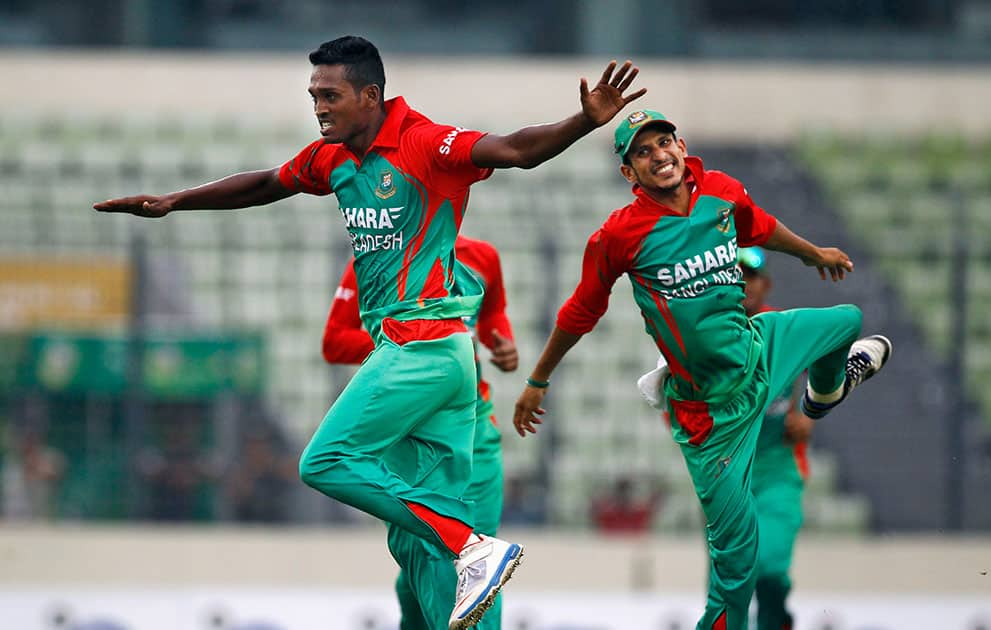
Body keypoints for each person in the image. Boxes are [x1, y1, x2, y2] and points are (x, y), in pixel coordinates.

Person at [94, 35, 645, 629]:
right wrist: (176, 202)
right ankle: (460, 551)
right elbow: (263, 184)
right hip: (435, 358)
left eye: (330, 95)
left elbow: (514, 149)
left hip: (423, 347)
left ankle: (471, 545)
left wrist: (582, 123)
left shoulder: (425, 142)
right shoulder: (332, 158)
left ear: (370, 95)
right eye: (313, 96)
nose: (319, 107)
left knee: (326, 462)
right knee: (415, 548)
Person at [512, 110, 892, 630]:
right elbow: (581, 311)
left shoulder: (720, 190)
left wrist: (811, 254)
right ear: (629, 174)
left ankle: (824, 395)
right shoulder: (620, 234)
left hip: (758, 351)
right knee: (736, 577)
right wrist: (537, 380)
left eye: (663, 142)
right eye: (641, 152)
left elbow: (759, 226)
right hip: (710, 415)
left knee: (847, 319)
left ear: (680, 144)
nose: (658, 155)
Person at [322, 234, 517, 629]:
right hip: (411, 431)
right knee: (419, 555)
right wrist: (415, 346)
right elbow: (335, 342)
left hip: (476, 429)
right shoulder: (376, 258)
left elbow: (493, 314)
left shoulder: (482, 255)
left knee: (475, 562)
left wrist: (504, 344)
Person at [739, 246, 813, 630]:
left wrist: (812, 414)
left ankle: (775, 622)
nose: (742, 284)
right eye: (733, 276)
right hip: (727, 475)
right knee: (729, 584)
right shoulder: (705, 337)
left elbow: (829, 363)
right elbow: (675, 410)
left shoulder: (784, 328)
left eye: (749, 276)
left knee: (769, 570)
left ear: (765, 284)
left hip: (779, 468)